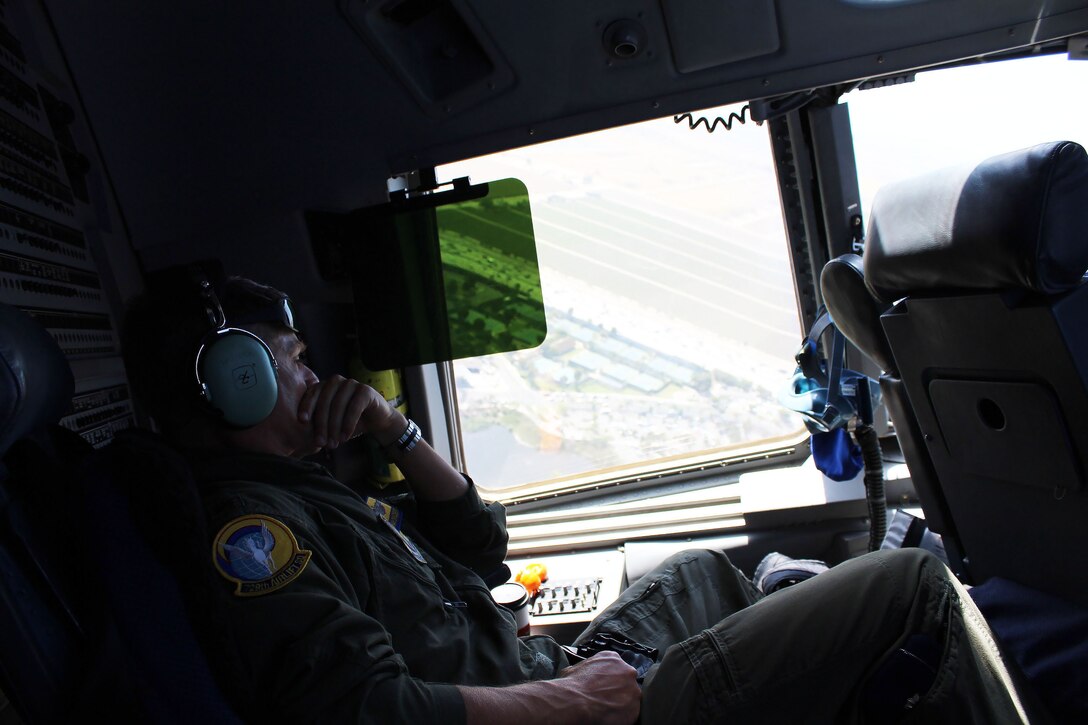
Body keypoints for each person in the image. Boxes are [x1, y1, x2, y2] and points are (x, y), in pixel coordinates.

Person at [120, 269, 1044, 724]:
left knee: (701, 569)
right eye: (290, 362)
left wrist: (396, 433)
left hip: (549, 672)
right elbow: (375, 712)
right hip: (563, 715)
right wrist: (578, 700)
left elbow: (481, 549)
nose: (314, 371)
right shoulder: (255, 534)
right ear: (234, 383)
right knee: (909, 583)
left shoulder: (308, 490)